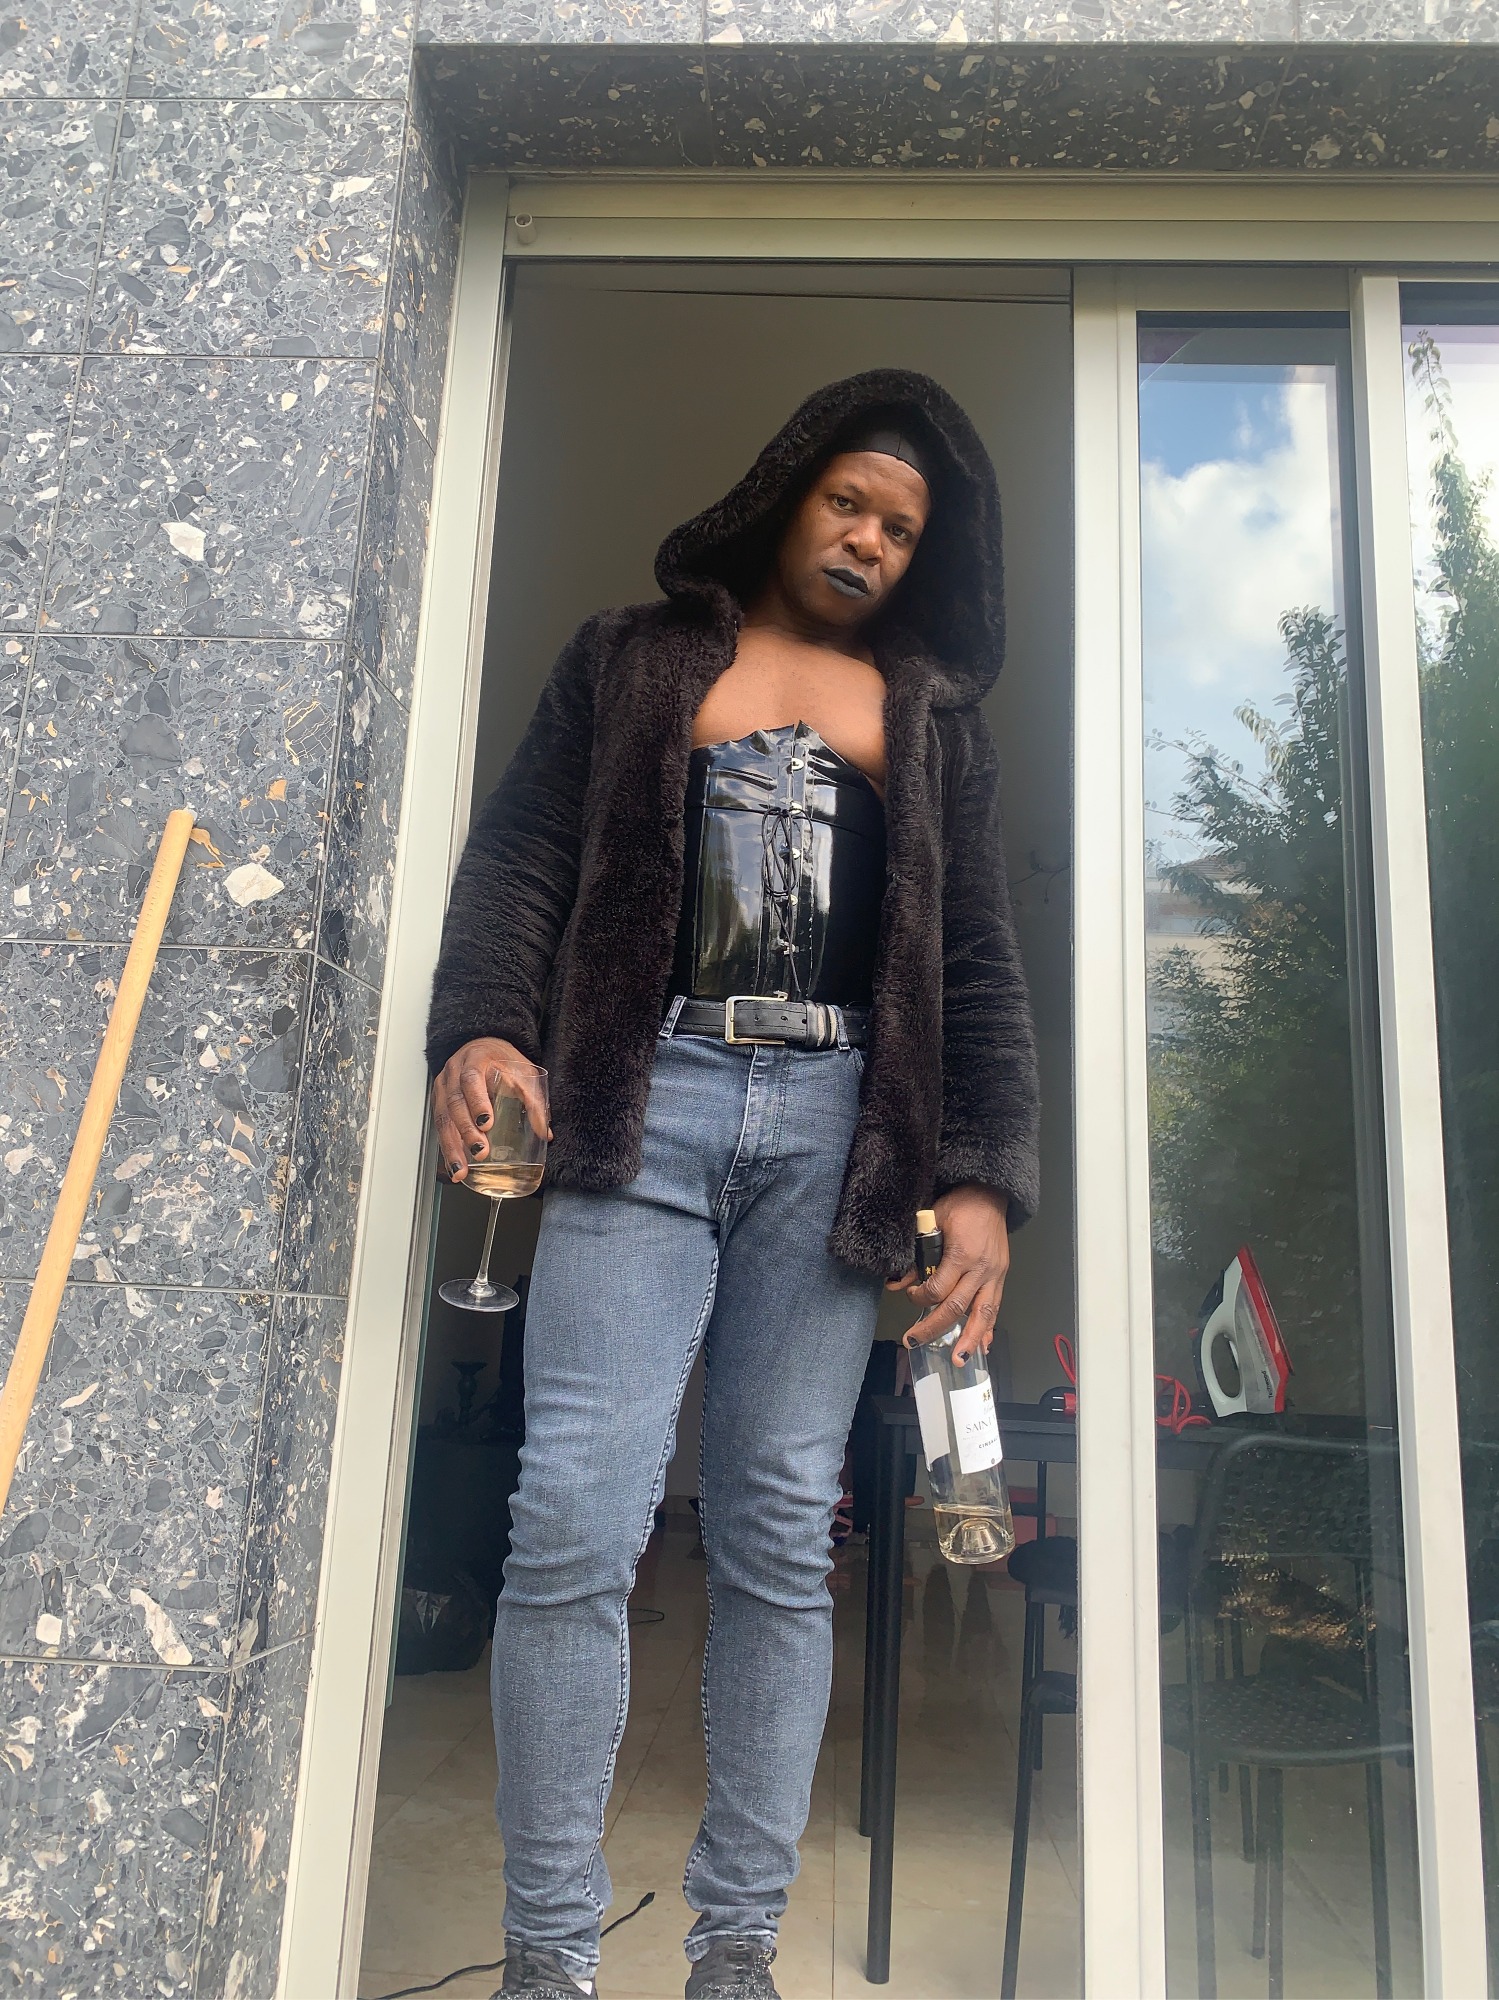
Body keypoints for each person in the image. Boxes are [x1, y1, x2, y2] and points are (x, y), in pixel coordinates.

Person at [426, 370, 1040, 2000]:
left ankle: (735, 1952)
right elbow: (522, 856)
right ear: (785, 494)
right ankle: (548, 1955)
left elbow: (976, 958)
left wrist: (982, 1178)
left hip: (842, 1126)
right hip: (644, 1099)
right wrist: (483, 1024)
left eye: (901, 529)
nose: (870, 540)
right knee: (574, 1514)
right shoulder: (630, 659)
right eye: (849, 503)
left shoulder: (931, 720)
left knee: (776, 1528)